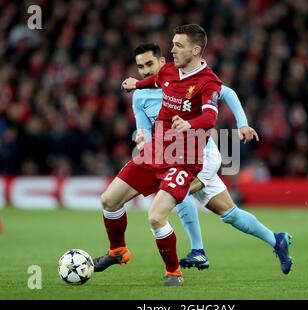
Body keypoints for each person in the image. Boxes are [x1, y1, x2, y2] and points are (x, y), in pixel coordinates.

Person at [131, 43, 293, 275]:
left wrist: (243, 123)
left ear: (162, 62)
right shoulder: (139, 96)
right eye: (140, 67)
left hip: (203, 154)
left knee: (177, 191)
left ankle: (198, 250)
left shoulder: (185, 80)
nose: (146, 71)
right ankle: (276, 240)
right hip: (175, 157)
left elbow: (228, 93)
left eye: (149, 64)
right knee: (230, 213)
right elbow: (146, 130)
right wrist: (142, 140)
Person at [93, 24, 222, 286]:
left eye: (178, 45)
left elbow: (210, 115)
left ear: (196, 50)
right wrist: (136, 83)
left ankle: (173, 272)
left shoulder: (209, 82)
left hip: (184, 160)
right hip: (155, 152)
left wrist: (190, 124)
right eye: (172, 43)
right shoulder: (169, 70)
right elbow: (155, 80)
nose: (172, 49)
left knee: (155, 216)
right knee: (109, 200)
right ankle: (118, 250)